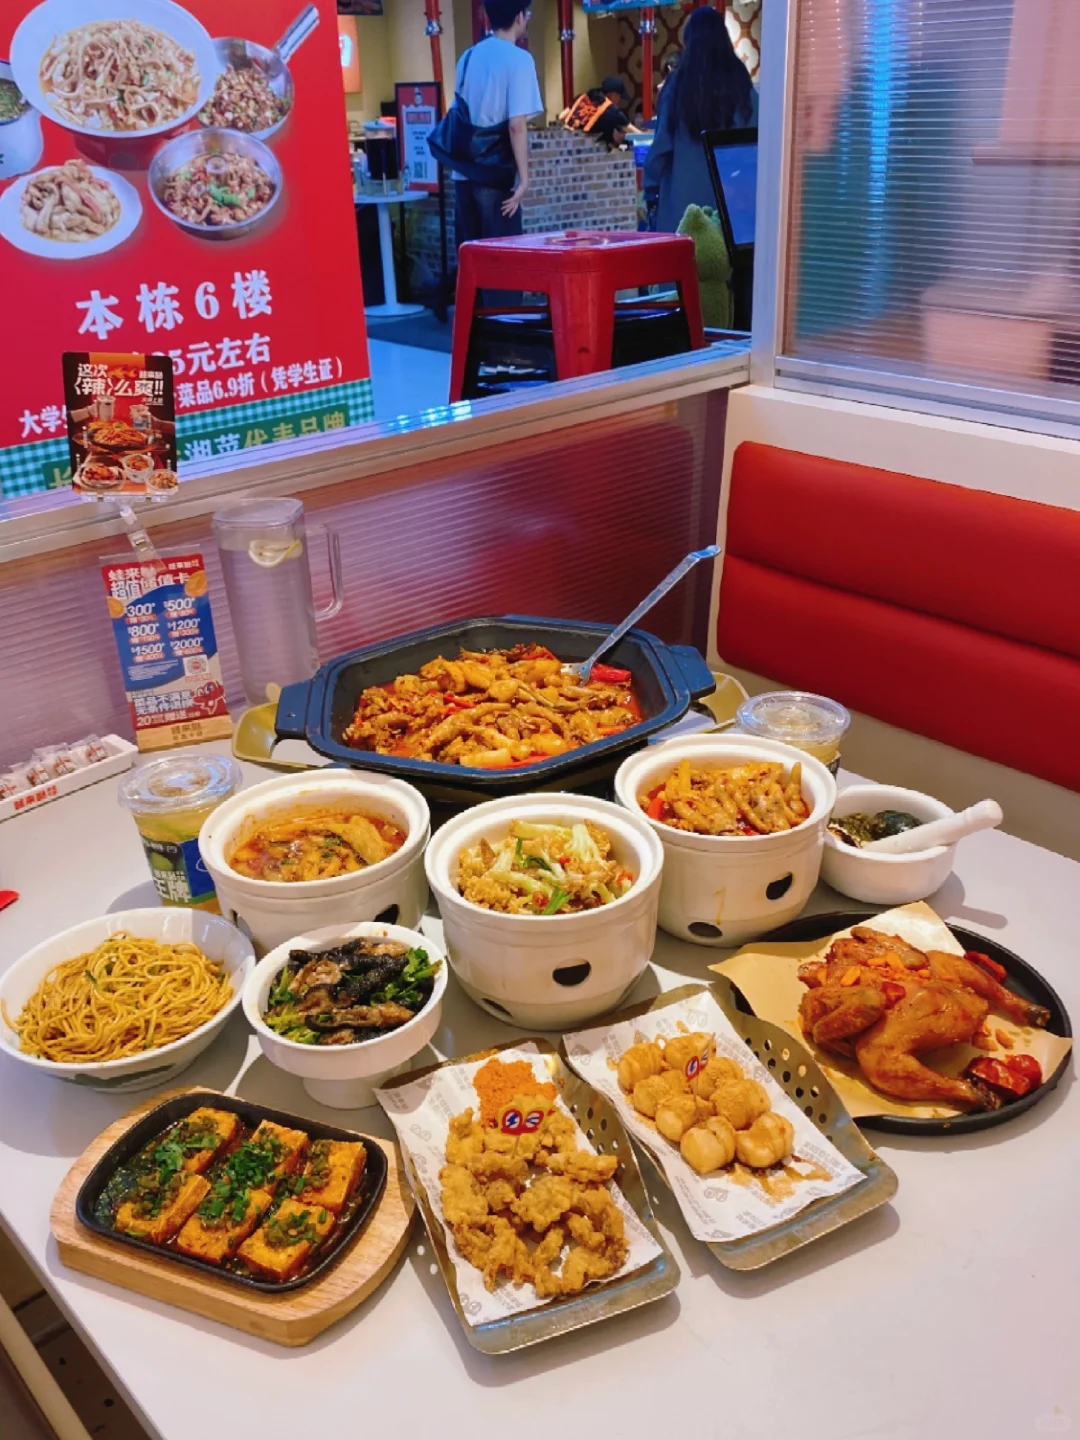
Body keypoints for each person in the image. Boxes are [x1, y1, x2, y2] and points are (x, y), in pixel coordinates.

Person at [644, 7, 756, 236]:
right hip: (729, 209)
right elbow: (755, 142)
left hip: (681, 209)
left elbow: (661, 148)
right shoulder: (741, 84)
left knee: (683, 258)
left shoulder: (677, 86)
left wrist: (650, 190)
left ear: (688, 42)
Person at [453, 0, 544, 246]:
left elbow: (457, 111)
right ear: (519, 17)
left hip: (463, 172)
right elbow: (517, 125)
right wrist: (524, 179)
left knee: (472, 257)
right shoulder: (519, 59)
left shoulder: (467, 57)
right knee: (503, 259)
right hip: (495, 174)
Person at [562, 75, 635, 149]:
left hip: (567, 144)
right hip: (593, 149)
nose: (619, 100)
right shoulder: (612, 110)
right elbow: (635, 132)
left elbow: (562, 116)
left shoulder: (582, 98)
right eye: (620, 97)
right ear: (613, 95)